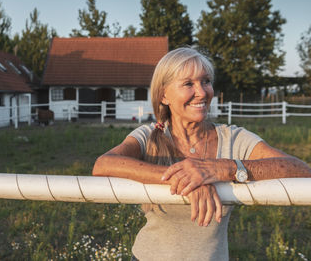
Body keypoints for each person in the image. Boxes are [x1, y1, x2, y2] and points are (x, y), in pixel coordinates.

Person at [92, 47, 311, 261]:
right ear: (164, 95)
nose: (202, 92)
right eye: (188, 83)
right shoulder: (149, 135)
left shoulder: (234, 138)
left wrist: (225, 169)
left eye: (206, 81)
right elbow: (103, 165)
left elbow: (301, 170)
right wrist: (189, 177)